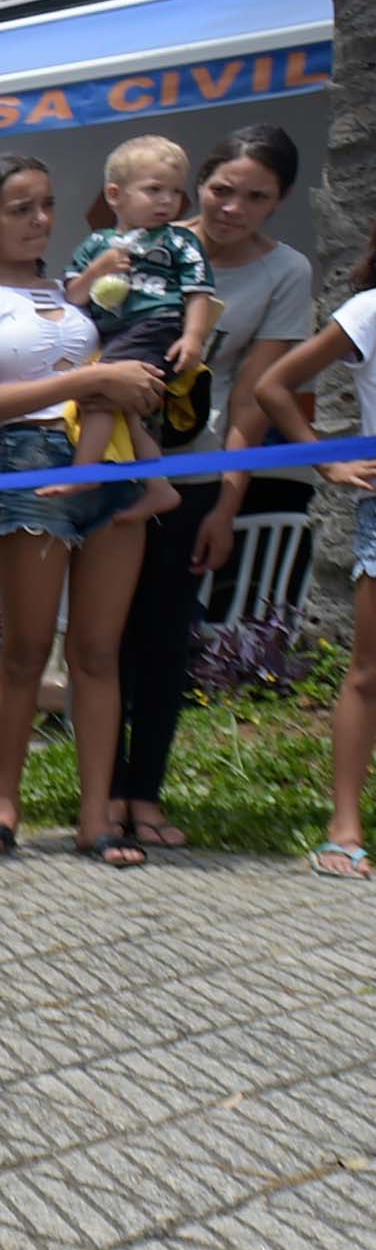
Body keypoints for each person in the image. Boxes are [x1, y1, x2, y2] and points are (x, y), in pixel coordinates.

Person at [0, 162, 163, 869]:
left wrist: (135, 383)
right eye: (20, 208)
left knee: (97, 651)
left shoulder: (73, 288)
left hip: (109, 457)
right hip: (29, 455)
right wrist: (97, 376)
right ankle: (5, 805)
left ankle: (97, 817)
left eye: (47, 205)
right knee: (26, 648)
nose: (39, 220)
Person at [108, 124, 320, 846]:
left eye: (256, 197)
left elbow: (254, 400)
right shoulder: (150, 240)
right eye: (222, 190)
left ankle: (145, 795)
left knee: (167, 637)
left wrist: (227, 506)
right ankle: (101, 795)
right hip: (111, 461)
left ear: (279, 202)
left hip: (195, 470)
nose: (233, 208)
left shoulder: (285, 271)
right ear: (200, 182)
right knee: (104, 636)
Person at [251, 233, 376, 877]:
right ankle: (343, 830)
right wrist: (325, 460)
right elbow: (275, 385)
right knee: (368, 674)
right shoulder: (369, 310)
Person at [59, 136, 211, 530]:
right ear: (115, 195)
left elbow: (198, 293)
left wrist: (193, 337)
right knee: (127, 407)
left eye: (175, 192)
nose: (167, 201)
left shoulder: (179, 241)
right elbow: (73, 296)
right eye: (154, 190)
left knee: (98, 391)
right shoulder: (95, 244)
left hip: (157, 326)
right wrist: (98, 270)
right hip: (114, 335)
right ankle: (158, 485)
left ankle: (84, 471)